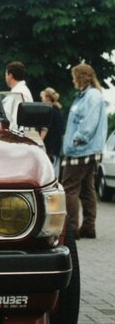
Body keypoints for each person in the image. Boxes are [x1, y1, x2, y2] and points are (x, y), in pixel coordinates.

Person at [61, 63, 108, 239]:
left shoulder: (91, 96)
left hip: (80, 149)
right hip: (85, 149)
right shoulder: (87, 95)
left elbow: (89, 123)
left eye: (74, 76)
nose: (72, 80)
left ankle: (71, 229)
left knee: (69, 188)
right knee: (87, 189)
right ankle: (88, 227)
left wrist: (76, 139)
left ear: (80, 77)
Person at [39, 87, 64, 179]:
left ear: (48, 98)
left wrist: (39, 142)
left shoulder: (49, 111)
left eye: (43, 97)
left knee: (49, 169)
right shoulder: (58, 110)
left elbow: (45, 128)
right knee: (55, 168)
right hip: (57, 145)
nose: (42, 100)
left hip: (50, 145)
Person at [2, 61, 33, 132]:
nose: (5, 78)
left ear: (10, 75)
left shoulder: (19, 94)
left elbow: (16, 121)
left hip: (14, 137)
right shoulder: (21, 91)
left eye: (6, 75)